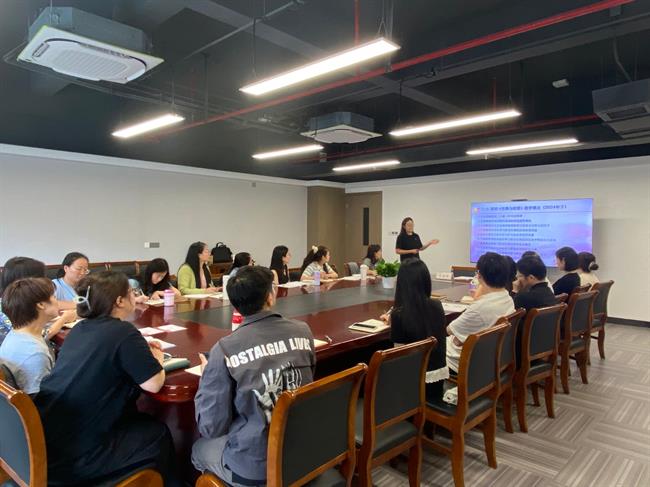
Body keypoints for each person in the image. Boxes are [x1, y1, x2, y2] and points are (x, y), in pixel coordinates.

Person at [35, 271, 179, 486]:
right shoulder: (123, 332)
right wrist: (157, 358)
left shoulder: (79, 329)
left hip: (49, 440)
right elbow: (154, 383)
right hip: (79, 457)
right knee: (157, 433)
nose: (135, 296)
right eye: (131, 293)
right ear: (119, 301)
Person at [192, 266, 316, 486]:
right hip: (304, 451)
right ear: (270, 296)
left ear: (235, 305)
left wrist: (206, 377)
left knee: (198, 449)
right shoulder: (303, 331)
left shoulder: (224, 349)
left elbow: (211, 427)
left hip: (257, 467)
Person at [380, 259, 447, 401]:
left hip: (413, 390)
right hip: (437, 383)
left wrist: (395, 320)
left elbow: (398, 358)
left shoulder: (399, 315)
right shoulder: (437, 305)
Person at [446, 252, 515, 372]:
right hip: (493, 358)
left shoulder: (479, 308)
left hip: (468, 362)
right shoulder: (507, 297)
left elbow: (449, 330)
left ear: (479, 275)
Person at [0, 278, 58, 395]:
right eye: (54, 297)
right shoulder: (36, 354)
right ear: (41, 305)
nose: (58, 301)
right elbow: (41, 399)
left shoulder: (16, 334)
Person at [0, 257, 76, 345]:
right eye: (41, 278)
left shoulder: (19, 302)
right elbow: (37, 337)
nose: (44, 282)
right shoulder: (7, 310)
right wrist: (63, 319)